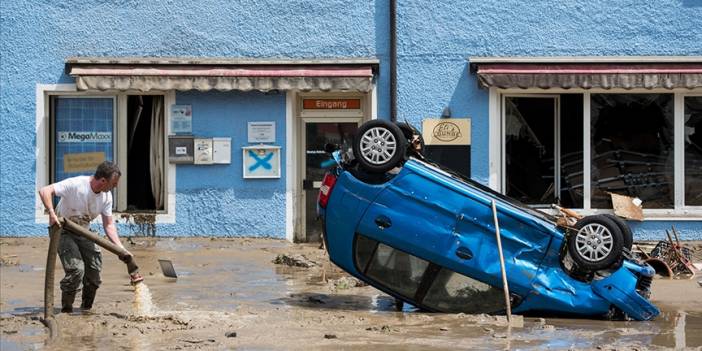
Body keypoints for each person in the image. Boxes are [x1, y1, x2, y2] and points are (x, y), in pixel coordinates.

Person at [39, 161, 134, 313]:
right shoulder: (76, 184)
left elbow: (109, 225)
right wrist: (51, 212)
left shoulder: (106, 197)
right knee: (76, 270)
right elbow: (45, 190)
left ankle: (86, 309)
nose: (115, 187)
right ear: (103, 181)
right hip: (62, 230)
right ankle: (67, 309)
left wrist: (121, 249)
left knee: (94, 271)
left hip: (84, 231)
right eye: (114, 183)